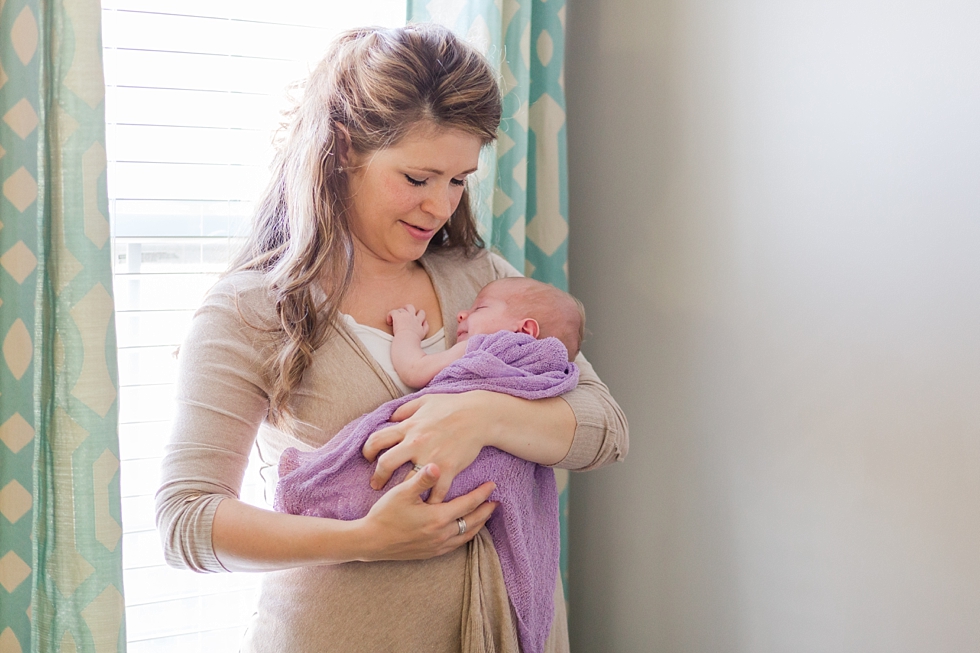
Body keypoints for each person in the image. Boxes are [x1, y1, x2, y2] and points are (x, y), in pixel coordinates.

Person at [156, 24, 628, 653]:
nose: (439, 207)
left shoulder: (480, 282)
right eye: (417, 178)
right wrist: (366, 539)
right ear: (345, 148)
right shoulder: (252, 310)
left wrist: (480, 415)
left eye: (459, 180)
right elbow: (186, 521)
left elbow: (604, 427)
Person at [388, 276, 585, 389]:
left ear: (525, 331)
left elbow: (415, 370)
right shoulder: (554, 379)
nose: (461, 314)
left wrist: (407, 331)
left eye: (480, 308)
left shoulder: (488, 349)